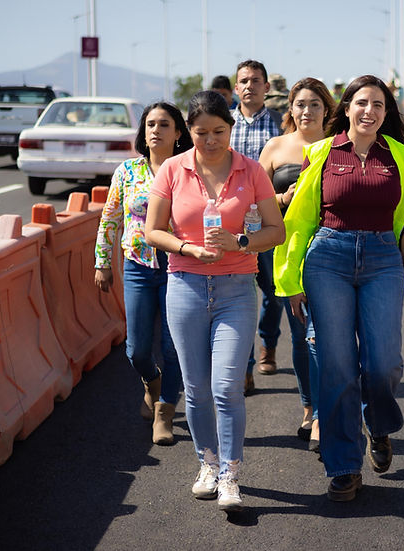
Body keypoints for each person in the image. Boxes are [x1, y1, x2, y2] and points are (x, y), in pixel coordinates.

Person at [274, 75, 404, 502]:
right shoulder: (320, 152)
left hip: (382, 259)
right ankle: (343, 467)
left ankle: (377, 425)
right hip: (328, 259)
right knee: (337, 366)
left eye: (378, 104)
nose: (369, 111)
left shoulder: (398, 154)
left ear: (386, 113)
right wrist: (291, 280)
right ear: (347, 108)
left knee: (383, 364)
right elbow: (299, 220)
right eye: (362, 102)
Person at [145, 90, 285, 513]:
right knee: (196, 389)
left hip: (236, 289)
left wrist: (239, 240)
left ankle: (230, 475)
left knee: (226, 387)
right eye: (201, 132)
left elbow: (274, 231)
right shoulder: (172, 169)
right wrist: (188, 250)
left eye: (219, 132)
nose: (210, 141)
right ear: (189, 131)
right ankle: (207, 463)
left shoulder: (251, 170)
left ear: (231, 128)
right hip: (185, 285)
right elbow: (154, 230)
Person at [95, 102, 190, 445]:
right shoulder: (127, 171)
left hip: (178, 268)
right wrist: (102, 261)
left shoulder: (188, 170)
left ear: (178, 133)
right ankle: (152, 384)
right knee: (136, 350)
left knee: (172, 345)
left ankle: (165, 412)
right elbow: (110, 217)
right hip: (137, 265)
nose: (156, 131)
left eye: (164, 125)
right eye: (150, 124)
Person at [258, 77, 335, 451]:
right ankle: (310, 407)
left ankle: (327, 412)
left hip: (331, 251)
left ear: (327, 110)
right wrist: (280, 197)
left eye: (315, 105)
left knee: (327, 337)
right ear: (290, 108)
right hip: (287, 253)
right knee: (302, 336)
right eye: (301, 104)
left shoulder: (338, 147)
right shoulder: (275, 147)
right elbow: (251, 200)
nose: (307, 111)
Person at [230, 59, 284, 394]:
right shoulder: (224, 125)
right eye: (244, 81)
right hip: (231, 226)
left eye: (256, 80)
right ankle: (245, 366)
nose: (249, 86)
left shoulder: (280, 127)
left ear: (266, 87)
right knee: (240, 296)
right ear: (236, 88)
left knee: (273, 292)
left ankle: (269, 344)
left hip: (268, 222)